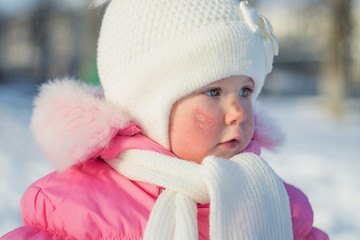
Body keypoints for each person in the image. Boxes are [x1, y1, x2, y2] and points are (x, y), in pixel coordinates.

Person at [1, 0, 329, 239]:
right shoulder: (75, 210)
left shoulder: (277, 205)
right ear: (149, 106)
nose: (239, 112)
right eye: (214, 92)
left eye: (245, 91)